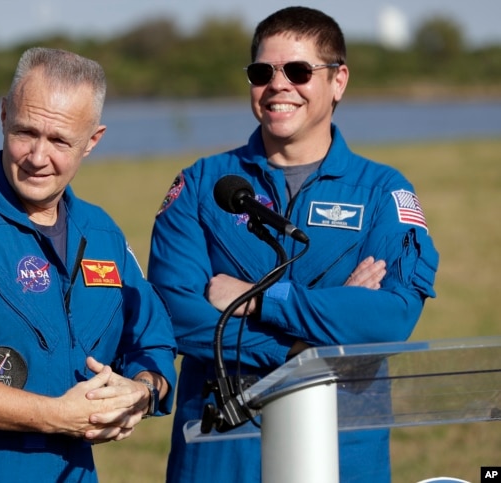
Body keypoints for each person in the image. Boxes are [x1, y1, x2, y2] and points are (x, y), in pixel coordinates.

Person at [148, 6, 439, 483]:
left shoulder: (383, 192)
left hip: (343, 452)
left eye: (299, 71)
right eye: (263, 72)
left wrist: (262, 301)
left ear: (338, 81)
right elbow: (175, 313)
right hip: (222, 452)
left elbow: (389, 318)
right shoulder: (201, 185)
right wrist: (302, 352)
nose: (278, 85)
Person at [0, 47, 177, 483]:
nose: (38, 157)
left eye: (61, 140)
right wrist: (57, 416)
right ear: (4, 115)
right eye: (26, 132)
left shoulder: (102, 234)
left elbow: (152, 342)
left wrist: (141, 391)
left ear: (93, 140)